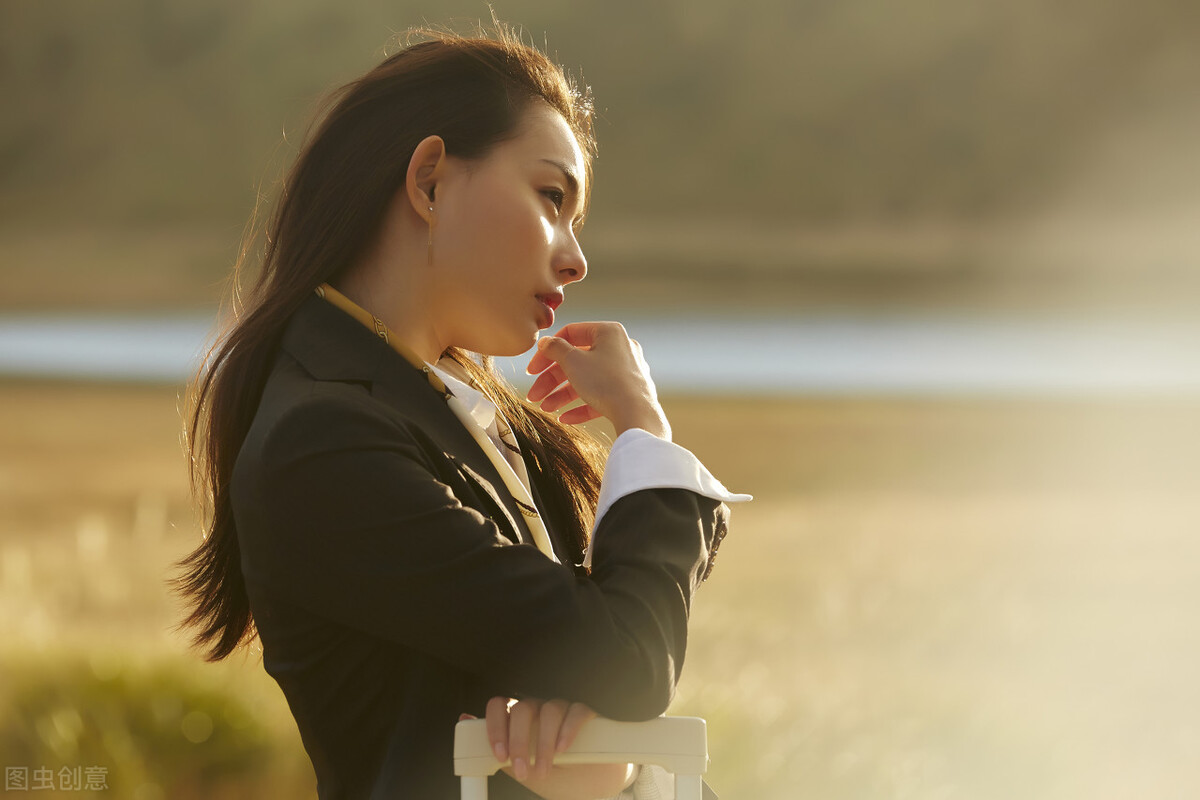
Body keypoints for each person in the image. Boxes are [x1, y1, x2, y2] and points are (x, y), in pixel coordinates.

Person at [174, 23, 750, 800]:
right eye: (552, 197)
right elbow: (627, 662)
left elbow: (610, 683)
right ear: (431, 181)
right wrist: (645, 427)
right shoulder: (325, 443)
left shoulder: (465, 415)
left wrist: (621, 771)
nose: (576, 258)